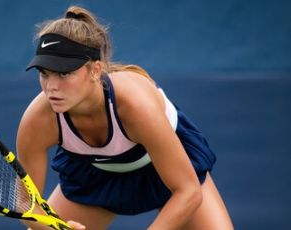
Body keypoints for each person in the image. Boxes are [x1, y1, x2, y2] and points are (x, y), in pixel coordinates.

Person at [17, 5, 233, 230]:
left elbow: (188, 191)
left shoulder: (135, 107)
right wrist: (54, 228)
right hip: (95, 178)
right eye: (44, 73)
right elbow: (25, 203)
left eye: (63, 73)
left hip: (167, 172)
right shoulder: (38, 120)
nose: (51, 87)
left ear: (95, 70)